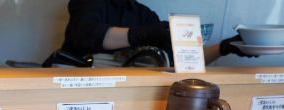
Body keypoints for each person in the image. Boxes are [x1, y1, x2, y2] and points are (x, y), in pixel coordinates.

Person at [43, 0, 256, 67]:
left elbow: (181, 61)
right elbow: (87, 34)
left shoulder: (145, 15)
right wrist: (139, 35)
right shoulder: (90, 2)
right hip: (73, 85)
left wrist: (225, 47)